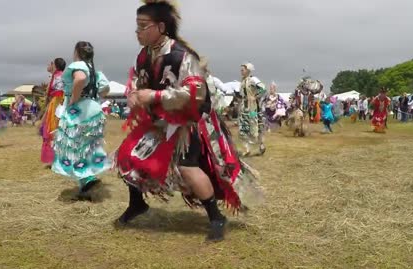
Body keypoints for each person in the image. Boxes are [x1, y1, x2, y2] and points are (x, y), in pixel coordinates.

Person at [114, 0, 261, 242]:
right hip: (161, 119)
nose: (137, 32)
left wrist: (155, 95)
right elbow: (140, 83)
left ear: (161, 27)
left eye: (143, 26)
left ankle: (216, 217)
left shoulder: (181, 56)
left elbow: (196, 93)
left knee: (187, 166)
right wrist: (133, 94)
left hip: (190, 121)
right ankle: (137, 204)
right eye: (136, 27)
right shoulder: (144, 56)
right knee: (127, 155)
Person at [51, 42, 111, 201]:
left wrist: (73, 100)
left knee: (73, 146)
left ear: (77, 52)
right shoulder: (95, 71)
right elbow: (106, 88)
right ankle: (86, 184)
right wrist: (95, 96)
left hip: (79, 109)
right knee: (87, 146)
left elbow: (80, 78)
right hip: (93, 108)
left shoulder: (78, 65)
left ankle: (88, 180)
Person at [40, 58, 66, 167]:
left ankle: (55, 159)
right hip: (56, 103)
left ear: (55, 65)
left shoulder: (58, 75)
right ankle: (55, 158)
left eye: (51, 63)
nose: (48, 64)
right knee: (52, 129)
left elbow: (60, 92)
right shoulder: (55, 75)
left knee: (53, 129)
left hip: (57, 104)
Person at [237, 62, 266, 155]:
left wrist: (255, 96)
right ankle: (247, 149)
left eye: (243, 69)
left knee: (255, 125)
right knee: (243, 128)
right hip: (244, 108)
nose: (241, 71)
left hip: (253, 109)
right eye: (241, 69)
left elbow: (263, 88)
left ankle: (261, 145)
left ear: (248, 70)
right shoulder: (242, 81)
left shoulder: (253, 79)